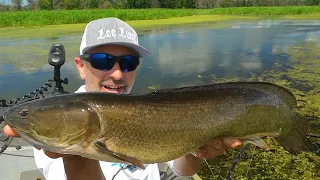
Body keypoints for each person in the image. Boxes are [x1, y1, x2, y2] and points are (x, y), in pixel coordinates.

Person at [3, 17, 242, 180]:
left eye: (128, 63)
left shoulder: (147, 108)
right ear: (80, 66)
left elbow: (181, 170)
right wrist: (75, 154)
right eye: (102, 61)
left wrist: (199, 150)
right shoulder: (54, 125)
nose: (117, 74)